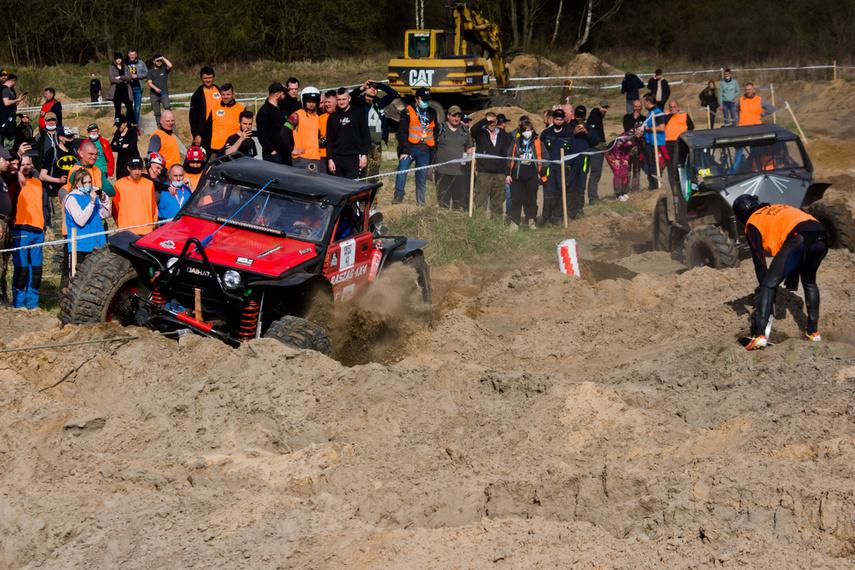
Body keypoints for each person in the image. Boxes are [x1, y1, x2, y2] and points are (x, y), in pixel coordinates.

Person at [733, 194, 829, 350]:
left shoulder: (753, 222)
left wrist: (767, 289)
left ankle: (760, 335)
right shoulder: (776, 208)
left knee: (768, 284)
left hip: (799, 237)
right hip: (820, 234)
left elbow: (759, 262)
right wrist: (792, 273)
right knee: (809, 281)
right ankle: (813, 332)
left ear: (742, 215)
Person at [11, 155, 49, 309]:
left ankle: (32, 303)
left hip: (38, 231)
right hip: (21, 229)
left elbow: (44, 205)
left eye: (28, 164)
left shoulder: (39, 183)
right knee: (22, 269)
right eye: (22, 164)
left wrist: (45, 224)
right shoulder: (14, 182)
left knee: (36, 268)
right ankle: (19, 304)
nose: (25, 167)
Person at [393, 87, 437, 205]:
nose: (426, 102)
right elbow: (402, 132)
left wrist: (432, 157)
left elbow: (434, 134)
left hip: (425, 150)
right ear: (416, 99)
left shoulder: (432, 112)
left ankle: (420, 202)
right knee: (402, 171)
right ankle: (398, 195)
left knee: (421, 178)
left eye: (428, 100)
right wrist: (405, 151)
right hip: (410, 148)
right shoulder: (407, 111)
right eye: (424, 99)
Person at [63, 168, 111, 271]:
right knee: (78, 277)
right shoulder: (71, 198)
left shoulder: (93, 195)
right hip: (80, 245)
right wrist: (91, 203)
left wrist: (105, 200)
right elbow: (80, 220)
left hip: (97, 243)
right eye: (84, 183)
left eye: (89, 182)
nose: (88, 185)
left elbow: (105, 214)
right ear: (77, 183)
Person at [350, 80, 398, 181]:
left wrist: (380, 85)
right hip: (362, 145)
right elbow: (350, 97)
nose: (373, 89)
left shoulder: (379, 102)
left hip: (376, 144)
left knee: (374, 173)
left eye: (375, 88)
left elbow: (393, 94)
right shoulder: (359, 102)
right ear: (365, 90)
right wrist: (361, 88)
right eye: (370, 87)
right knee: (361, 172)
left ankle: (372, 194)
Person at [506, 118, 546, 229]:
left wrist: (541, 172)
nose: (527, 132)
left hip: (532, 176)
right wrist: (508, 174)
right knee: (516, 199)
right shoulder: (516, 142)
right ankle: (515, 222)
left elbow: (546, 158)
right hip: (517, 176)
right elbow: (509, 158)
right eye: (525, 130)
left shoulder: (538, 143)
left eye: (529, 130)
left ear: (532, 130)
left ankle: (531, 221)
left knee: (531, 200)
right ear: (521, 131)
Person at [471, 111, 513, 217]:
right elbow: (473, 130)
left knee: (498, 204)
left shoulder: (503, 134)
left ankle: (496, 228)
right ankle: (479, 226)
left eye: (494, 121)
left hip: (499, 174)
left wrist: (506, 172)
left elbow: (506, 154)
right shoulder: (480, 133)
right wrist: (486, 120)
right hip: (484, 173)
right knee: (480, 202)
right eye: (489, 121)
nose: (492, 123)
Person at [433, 105, 473, 210]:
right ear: (448, 116)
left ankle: (455, 224)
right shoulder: (440, 128)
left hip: (459, 173)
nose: (456, 118)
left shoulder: (464, 130)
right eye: (454, 116)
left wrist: (469, 157)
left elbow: (469, 147)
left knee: (458, 203)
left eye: (458, 116)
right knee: (443, 203)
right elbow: (432, 147)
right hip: (442, 172)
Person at [326, 88, 369, 180]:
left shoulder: (358, 114)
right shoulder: (332, 117)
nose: (341, 102)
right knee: (339, 187)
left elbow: (366, 136)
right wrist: (330, 159)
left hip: (353, 157)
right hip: (337, 158)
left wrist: (364, 155)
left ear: (349, 98)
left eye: (344, 99)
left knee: (352, 187)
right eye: (339, 99)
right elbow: (329, 140)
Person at [539, 109, 574, 225]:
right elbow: (540, 151)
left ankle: (558, 216)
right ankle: (547, 218)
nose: (559, 122)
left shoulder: (568, 133)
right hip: (550, 168)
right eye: (557, 119)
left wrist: (569, 166)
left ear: (564, 120)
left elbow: (573, 151)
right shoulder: (546, 133)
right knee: (549, 193)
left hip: (563, 168)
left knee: (561, 191)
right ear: (553, 119)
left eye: (561, 120)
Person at [113, 156, 157, 235]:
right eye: (134, 169)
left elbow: (153, 207)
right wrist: (121, 225)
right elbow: (115, 210)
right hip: (126, 231)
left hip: (145, 230)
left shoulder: (149, 184)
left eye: (139, 169)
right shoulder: (119, 184)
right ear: (128, 168)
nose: (137, 172)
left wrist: (152, 225)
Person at [283, 87, 323, 170]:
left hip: (316, 157)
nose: (311, 104)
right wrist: (291, 150)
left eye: (314, 102)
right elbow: (283, 132)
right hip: (301, 158)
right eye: (309, 101)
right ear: (304, 101)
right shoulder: (296, 115)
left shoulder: (316, 117)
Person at [208, 84, 245, 159]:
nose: (225, 97)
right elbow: (207, 129)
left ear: (233, 94)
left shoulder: (241, 109)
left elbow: (246, 129)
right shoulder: (214, 109)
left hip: (233, 149)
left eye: (228, 94)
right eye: (223, 94)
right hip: (216, 150)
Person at [189, 66, 220, 154]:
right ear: (201, 78)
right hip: (204, 132)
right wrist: (196, 135)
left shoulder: (220, 91)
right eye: (205, 78)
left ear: (213, 77)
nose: (208, 80)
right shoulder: (197, 95)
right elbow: (193, 118)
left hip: (219, 130)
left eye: (210, 77)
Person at [664, 99, 694, 189]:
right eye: (671, 107)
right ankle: (672, 179)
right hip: (669, 142)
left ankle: (683, 179)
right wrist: (670, 114)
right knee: (670, 162)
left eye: (674, 107)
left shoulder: (684, 114)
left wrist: (686, 136)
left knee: (681, 160)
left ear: (678, 107)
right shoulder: (665, 114)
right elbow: (662, 124)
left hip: (681, 141)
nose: (673, 109)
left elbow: (691, 126)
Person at [640, 94, 666, 190]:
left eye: (644, 101)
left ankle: (656, 185)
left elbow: (661, 127)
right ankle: (651, 184)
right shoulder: (650, 113)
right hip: (648, 143)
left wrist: (648, 128)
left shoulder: (657, 112)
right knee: (647, 165)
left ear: (648, 102)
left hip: (655, 143)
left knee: (653, 165)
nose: (644, 104)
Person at [586, 99, 609, 203]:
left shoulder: (598, 116)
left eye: (606, 108)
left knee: (596, 173)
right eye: (603, 107)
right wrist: (599, 142)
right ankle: (593, 198)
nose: (605, 109)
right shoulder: (594, 117)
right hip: (595, 149)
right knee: (595, 173)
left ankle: (593, 196)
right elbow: (591, 133)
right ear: (598, 106)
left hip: (597, 148)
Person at [257, 82, 286, 163]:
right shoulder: (264, 112)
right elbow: (262, 134)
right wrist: (271, 151)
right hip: (272, 155)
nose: (285, 96)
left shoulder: (281, 109)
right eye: (283, 93)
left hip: (283, 152)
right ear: (277, 94)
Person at [622, 100, 646, 193]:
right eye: (635, 106)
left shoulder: (644, 118)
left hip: (639, 147)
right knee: (627, 169)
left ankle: (635, 189)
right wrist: (634, 119)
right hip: (628, 147)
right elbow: (627, 129)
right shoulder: (627, 117)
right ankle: (625, 188)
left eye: (639, 107)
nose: (637, 108)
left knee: (637, 169)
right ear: (632, 107)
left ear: (641, 107)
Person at [0, 148, 14, 303]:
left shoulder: (3, 178)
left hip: (6, 221)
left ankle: (2, 293)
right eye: (5, 160)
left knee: (4, 261)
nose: (8, 163)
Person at [107, 53, 134, 128]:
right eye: (117, 58)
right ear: (115, 59)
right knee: (118, 109)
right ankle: (117, 124)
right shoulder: (111, 67)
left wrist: (120, 77)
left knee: (129, 108)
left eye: (120, 58)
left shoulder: (125, 67)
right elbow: (111, 79)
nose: (118, 60)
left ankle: (132, 124)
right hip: (116, 91)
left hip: (125, 90)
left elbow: (129, 77)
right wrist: (123, 80)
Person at [0, 74, 26, 151]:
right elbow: (6, 102)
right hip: (6, 119)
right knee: (9, 139)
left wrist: (16, 102)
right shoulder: (5, 89)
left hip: (7, 117)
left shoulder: (7, 89)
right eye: (15, 82)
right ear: (12, 80)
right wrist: (18, 99)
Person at [147, 54, 172, 127]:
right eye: (157, 61)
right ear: (154, 61)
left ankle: (170, 125)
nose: (159, 62)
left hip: (163, 93)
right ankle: (159, 126)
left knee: (167, 108)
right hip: (154, 94)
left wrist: (163, 58)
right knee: (157, 112)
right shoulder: (151, 71)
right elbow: (149, 82)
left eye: (160, 61)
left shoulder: (164, 69)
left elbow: (170, 65)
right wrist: (155, 88)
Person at [110, 114, 139, 179]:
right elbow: (112, 147)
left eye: (120, 125)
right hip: (121, 161)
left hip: (130, 161)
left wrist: (118, 146)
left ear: (125, 123)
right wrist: (122, 147)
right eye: (117, 125)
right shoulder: (117, 133)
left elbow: (131, 148)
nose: (118, 127)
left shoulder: (132, 132)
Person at [125, 50, 148, 130]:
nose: (132, 56)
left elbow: (146, 74)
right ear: (128, 55)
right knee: (129, 108)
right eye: (131, 55)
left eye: (133, 55)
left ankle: (136, 127)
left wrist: (137, 75)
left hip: (138, 88)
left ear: (136, 55)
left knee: (137, 109)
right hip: (128, 88)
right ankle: (127, 126)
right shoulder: (124, 63)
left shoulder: (141, 63)